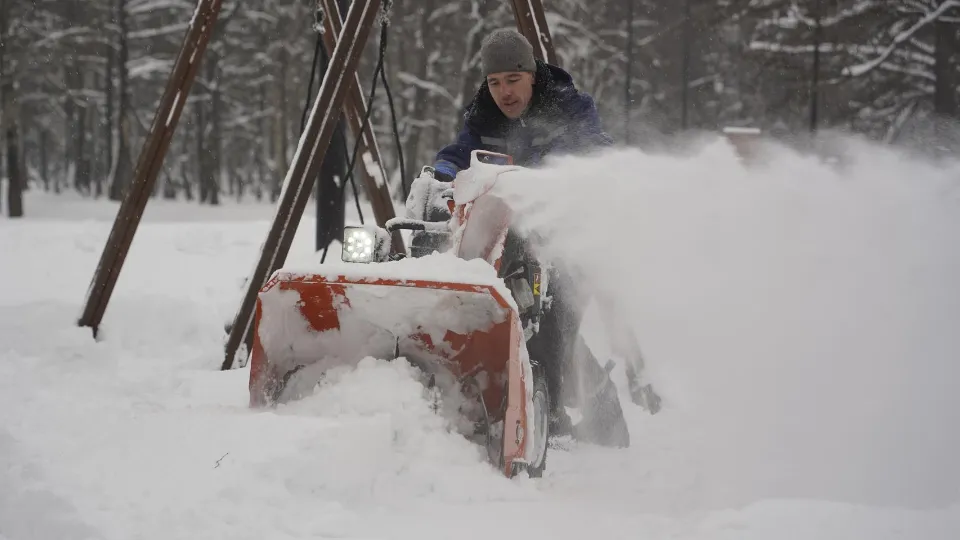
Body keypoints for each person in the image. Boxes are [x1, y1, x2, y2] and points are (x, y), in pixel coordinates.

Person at [409, 28, 629, 447]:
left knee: (555, 331)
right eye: (494, 82)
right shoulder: (484, 116)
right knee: (511, 322)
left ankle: (597, 426)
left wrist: (557, 167)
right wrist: (443, 172)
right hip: (509, 240)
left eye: (512, 80)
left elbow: (596, 147)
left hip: (565, 244)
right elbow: (463, 153)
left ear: (531, 75)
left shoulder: (567, 107)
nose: (504, 92)